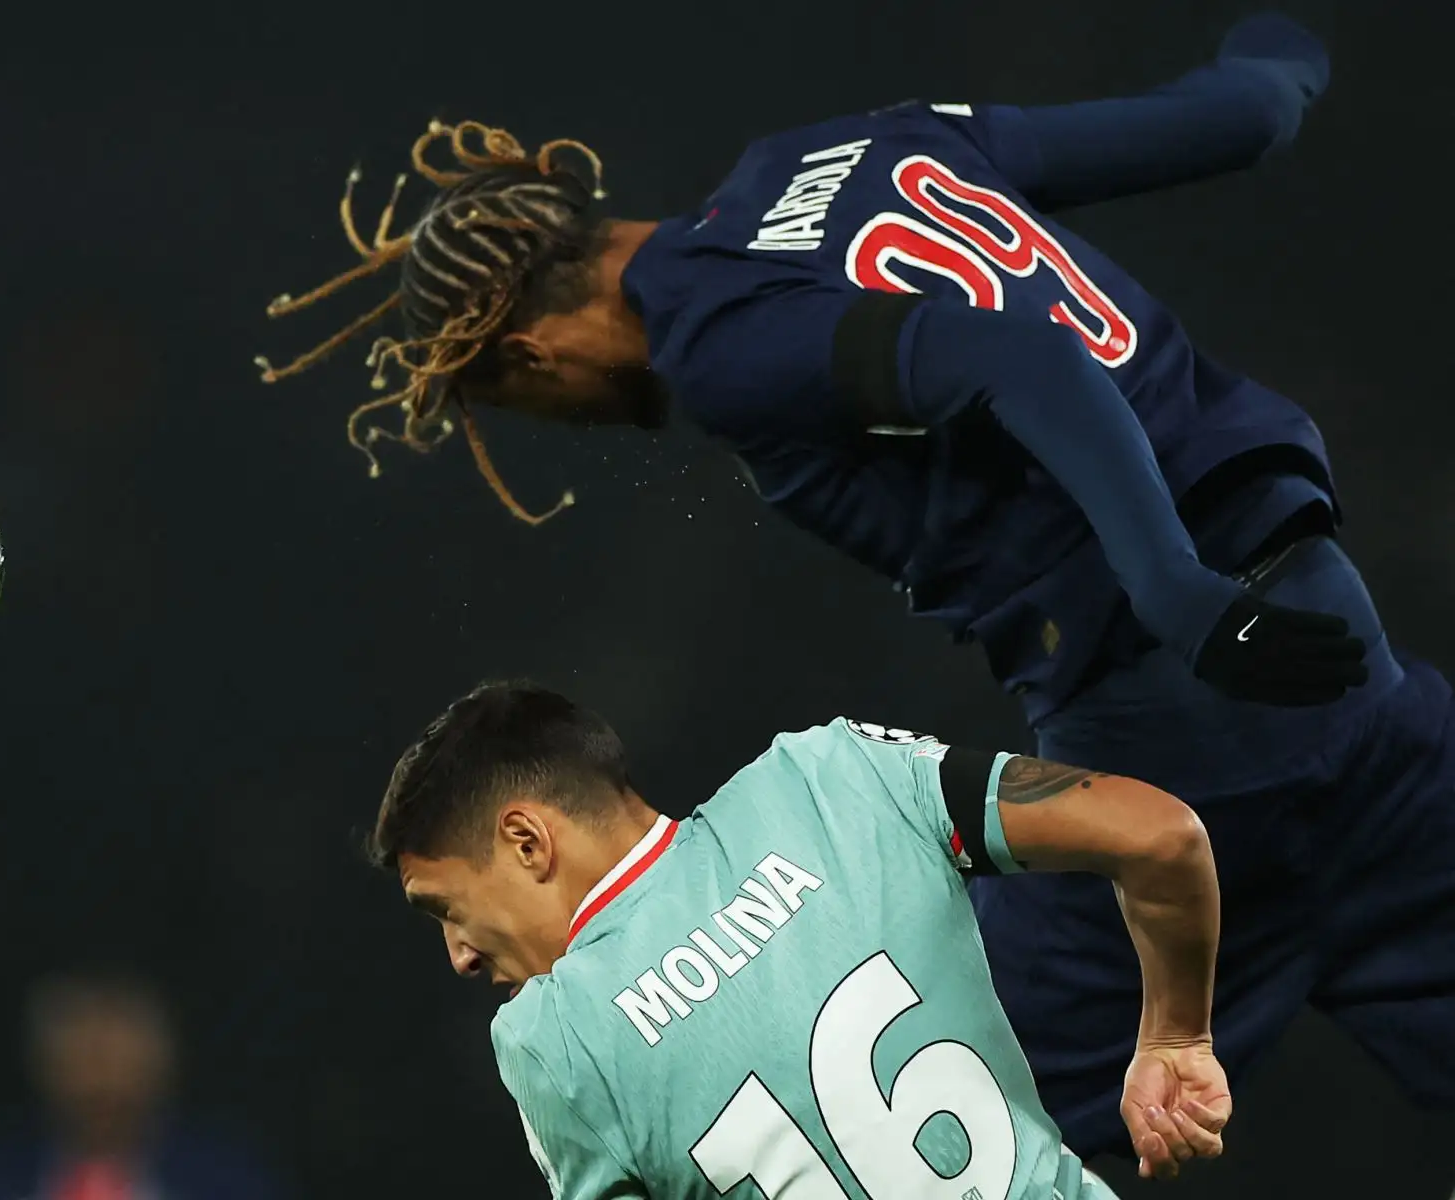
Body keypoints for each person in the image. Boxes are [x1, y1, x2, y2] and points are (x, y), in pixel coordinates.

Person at [260, 12, 1455, 1161]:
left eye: (517, 404)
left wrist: (1171, 586)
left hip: (1173, 704)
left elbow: (1010, 353)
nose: (560, 420)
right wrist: (1296, 32)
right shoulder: (858, 145)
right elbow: (1245, 115)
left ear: (522, 352)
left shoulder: (712, 341)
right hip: (1333, 645)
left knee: (903, 1128)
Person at [371, 681, 1227, 1196]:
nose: (459, 954)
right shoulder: (835, 776)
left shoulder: (553, 1040)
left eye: (445, 908)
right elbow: (1162, 835)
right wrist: (1176, 1035)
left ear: (527, 842)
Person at [0, 970, 285, 1200]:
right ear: (43, 1065)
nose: (102, 1087)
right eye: (83, 1061)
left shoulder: (230, 1181)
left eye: (121, 1063)